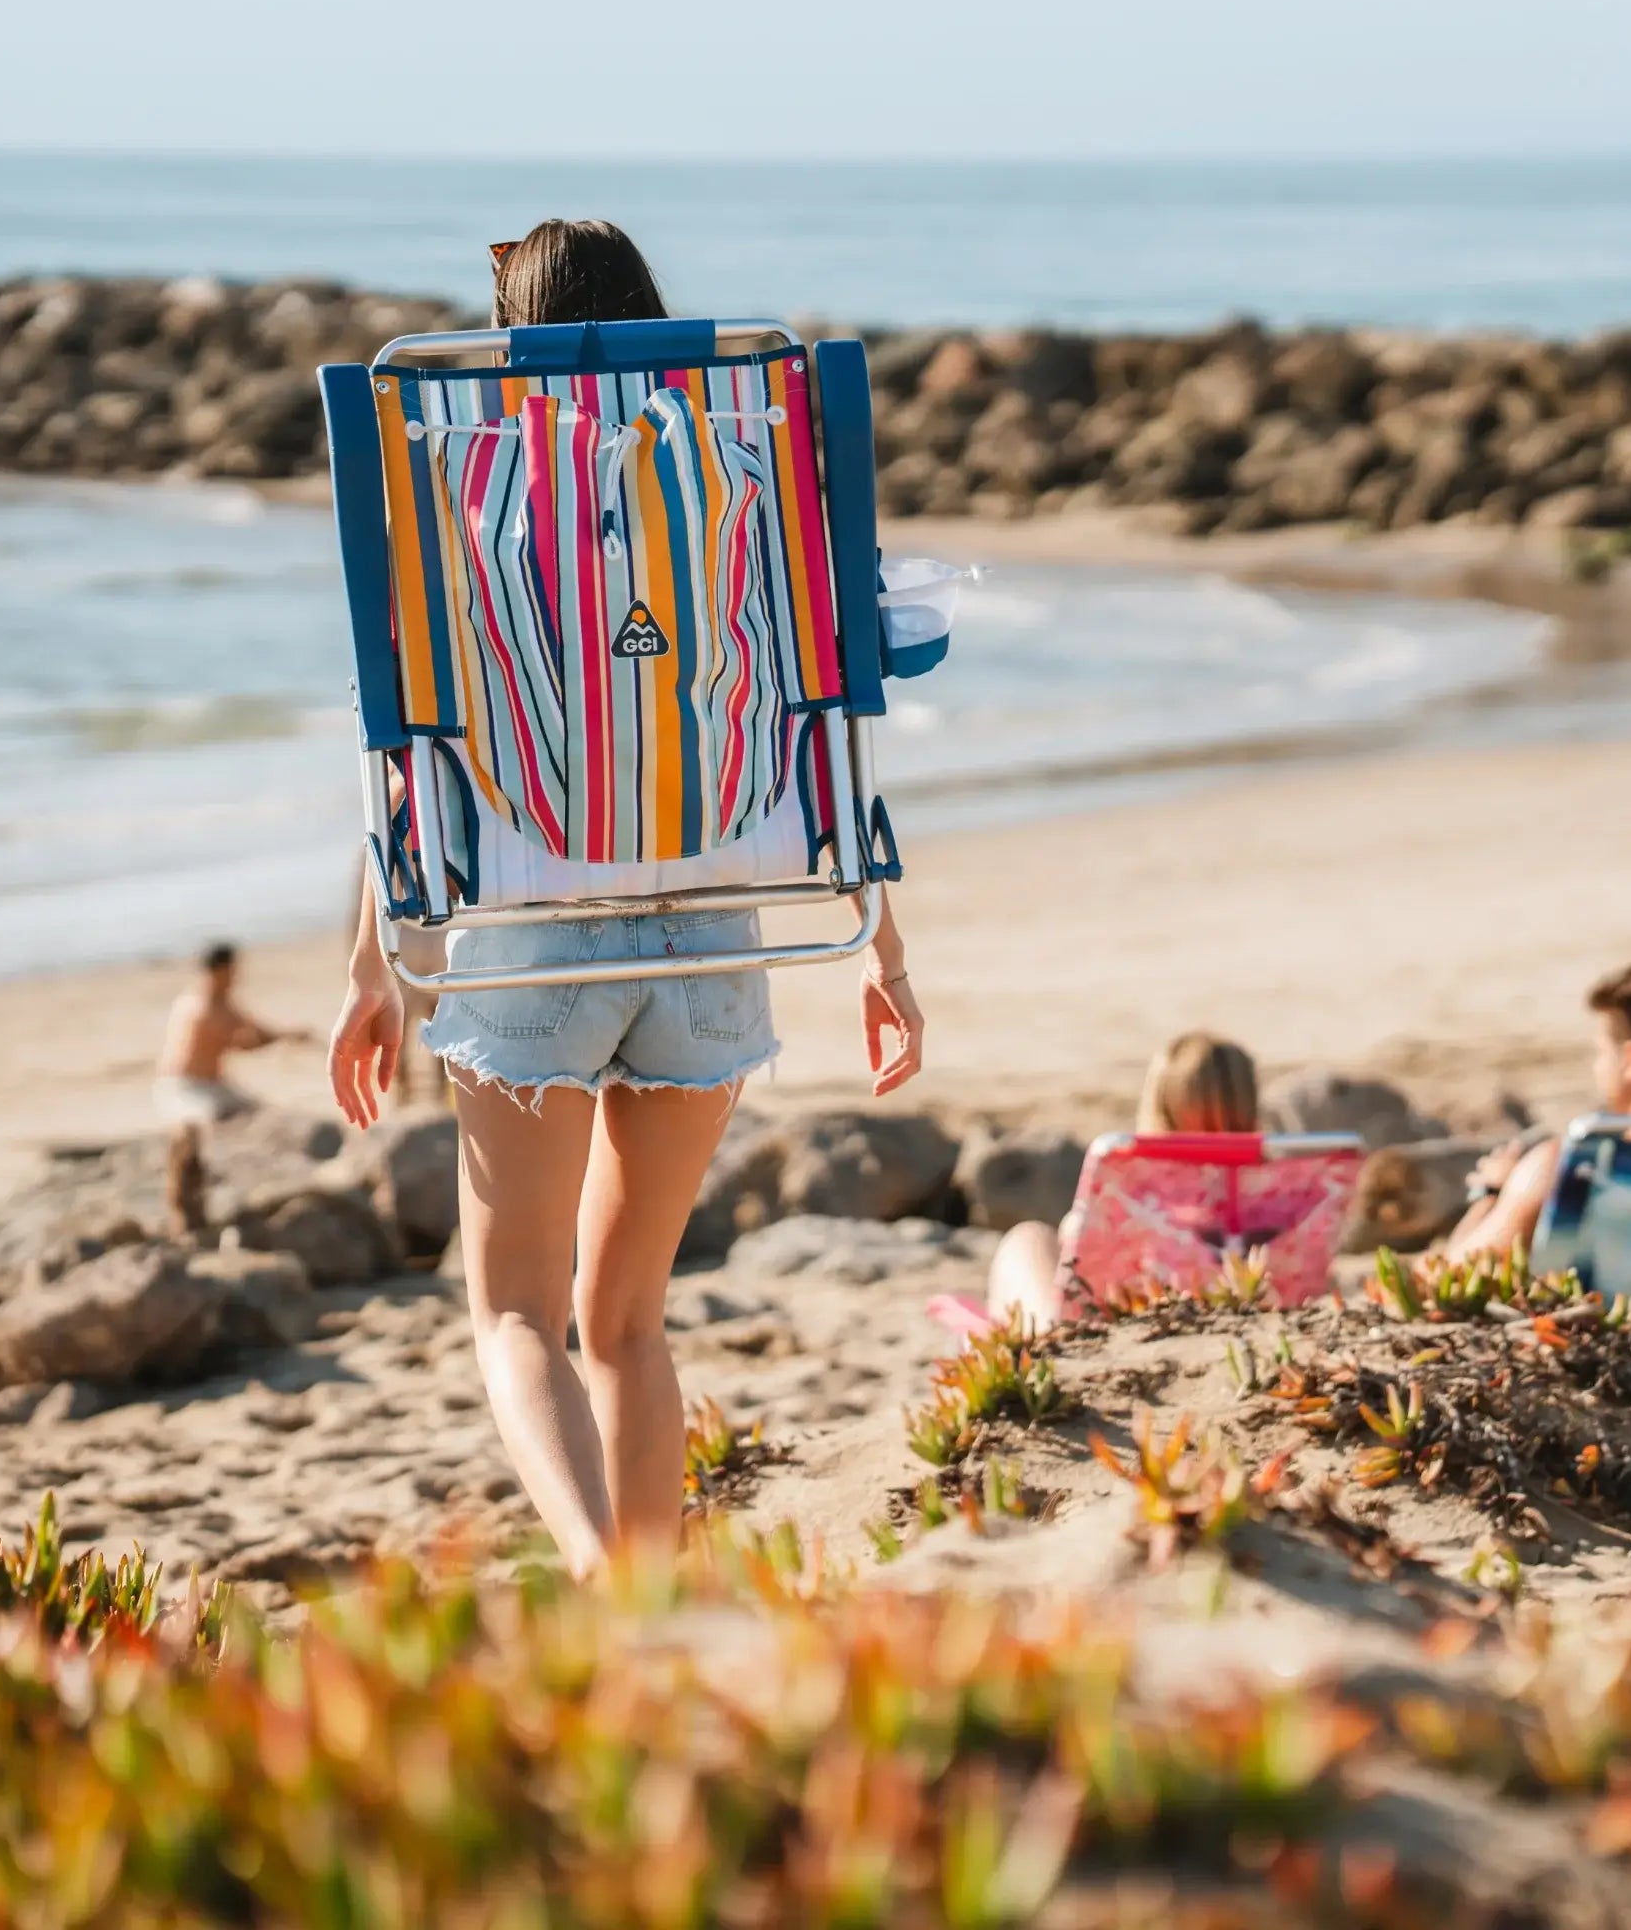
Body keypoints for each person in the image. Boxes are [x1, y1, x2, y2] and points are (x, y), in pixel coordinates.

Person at [327, 220, 925, 1579]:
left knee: (517, 1317)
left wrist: (372, 966)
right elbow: (823, 723)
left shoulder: (465, 489)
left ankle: (607, 1579)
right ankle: (652, 1599)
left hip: (532, 940)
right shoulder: (736, 485)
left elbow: (403, 750)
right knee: (629, 1319)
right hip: (714, 918)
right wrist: (883, 947)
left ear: (506, 338)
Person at [985, 1032, 1260, 1325]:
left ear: (1157, 1107)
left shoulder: (1132, 1187)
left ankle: (1046, 1330)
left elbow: (1080, 1262)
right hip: (1247, 1301)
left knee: (1028, 1239)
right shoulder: (1284, 1187)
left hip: (1119, 1319)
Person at [1445, 961, 1631, 1262]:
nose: (1597, 1067)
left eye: (1600, 1052)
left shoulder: (1568, 1167)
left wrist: (1492, 1196)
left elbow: (1448, 1275)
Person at [155, 942, 314, 1236]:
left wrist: (290, 1035)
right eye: (232, 971)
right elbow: (245, 1041)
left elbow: (254, 1027)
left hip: (217, 1086)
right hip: (185, 1088)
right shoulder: (200, 1006)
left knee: (265, 1116)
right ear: (218, 970)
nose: (236, 977)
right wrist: (282, 1038)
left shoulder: (223, 1001)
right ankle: (181, 1202)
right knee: (192, 1129)